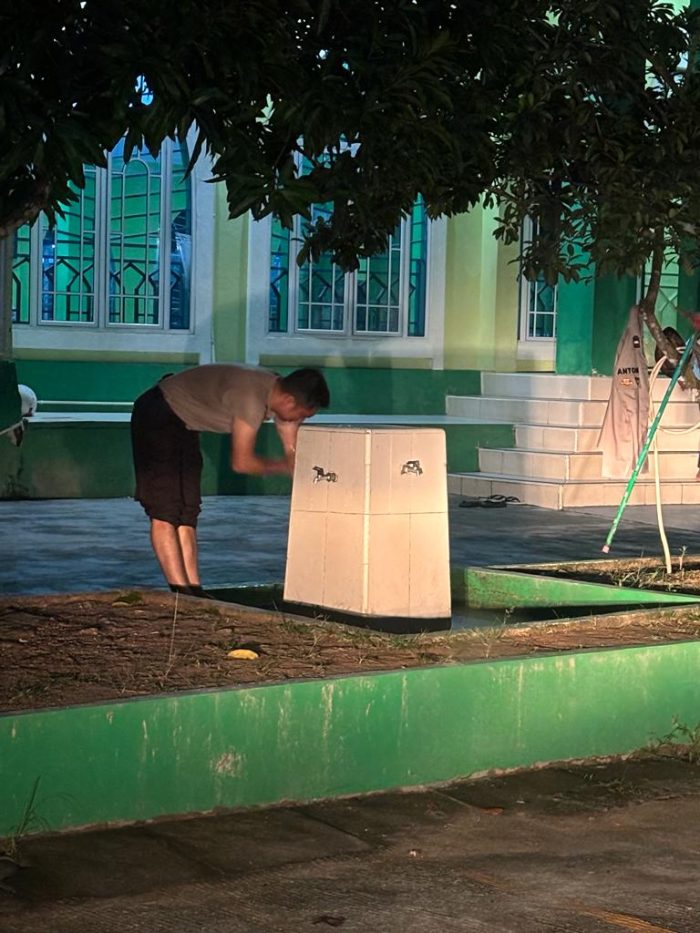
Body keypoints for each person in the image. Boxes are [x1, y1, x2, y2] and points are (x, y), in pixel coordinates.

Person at [130, 364, 330, 596]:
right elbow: (242, 462)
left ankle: (194, 590)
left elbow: (291, 446)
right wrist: (283, 466)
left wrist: (293, 454)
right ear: (289, 401)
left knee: (187, 510)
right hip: (157, 414)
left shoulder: (275, 387)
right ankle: (180, 593)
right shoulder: (251, 400)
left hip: (183, 423)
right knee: (164, 510)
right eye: (302, 416)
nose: (300, 422)